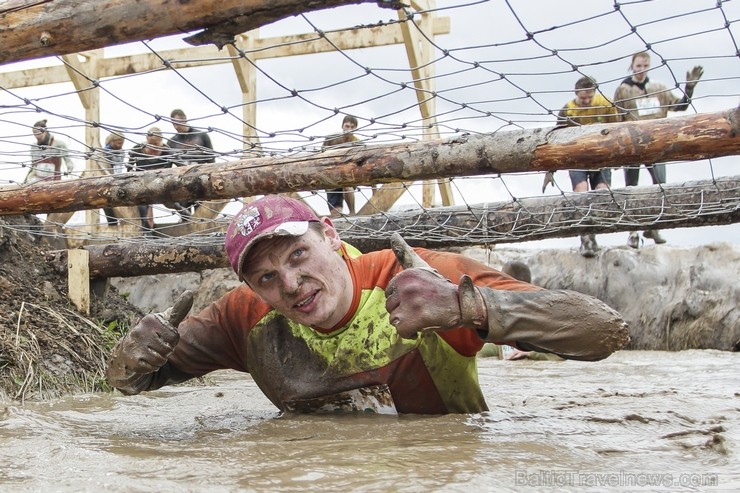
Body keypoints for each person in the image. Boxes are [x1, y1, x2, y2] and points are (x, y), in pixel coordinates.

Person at [106, 195, 629, 415]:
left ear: (330, 236)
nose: (290, 284)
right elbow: (127, 386)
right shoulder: (244, 316)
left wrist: (467, 307)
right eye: (267, 276)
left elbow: (606, 333)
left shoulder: (422, 280)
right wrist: (133, 357)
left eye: (298, 255)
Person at [613, 52, 704, 249]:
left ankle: (653, 225)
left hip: (656, 143)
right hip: (632, 144)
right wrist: (615, 151)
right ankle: (632, 231)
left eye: (645, 65)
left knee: (660, 186)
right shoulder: (622, 90)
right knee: (631, 188)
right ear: (632, 66)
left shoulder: (659, 88)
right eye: (638, 65)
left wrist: (689, 89)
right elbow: (616, 120)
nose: (642, 68)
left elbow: (680, 106)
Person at [543, 75, 620, 257]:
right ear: (576, 94)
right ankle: (585, 236)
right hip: (576, 158)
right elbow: (555, 139)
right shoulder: (568, 111)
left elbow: (618, 128)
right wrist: (550, 169)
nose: (586, 101)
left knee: (602, 192)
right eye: (582, 98)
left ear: (594, 93)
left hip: (602, 157)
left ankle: (596, 232)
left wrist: (619, 157)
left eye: (589, 97)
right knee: (582, 192)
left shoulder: (606, 105)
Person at [167, 108, 216, 219]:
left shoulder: (201, 136)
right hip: (182, 183)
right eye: (173, 124)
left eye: (177, 123)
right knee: (185, 216)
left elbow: (212, 159)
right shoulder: (171, 142)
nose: (175, 127)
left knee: (203, 215)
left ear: (184, 120)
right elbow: (168, 165)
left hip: (202, 181)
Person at [127, 127, 173, 231]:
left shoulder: (168, 151)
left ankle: (187, 218)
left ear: (161, 141)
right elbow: (128, 170)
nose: (153, 148)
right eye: (150, 145)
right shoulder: (137, 150)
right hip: (141, 186)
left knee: (176, 204)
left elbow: (181, 166)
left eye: (156, 145)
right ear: (146, 140)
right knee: (142, 207)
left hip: (163, 184)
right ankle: (147, 231)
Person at [323, 115, 360, 217]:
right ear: (342, 126)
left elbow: (368, 164)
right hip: (332, 178)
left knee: (347, 186)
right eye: (347, 126)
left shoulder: (358, 143)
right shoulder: (331, 139)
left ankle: (352, 212)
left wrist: (374, 193)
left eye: (352, 127)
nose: (349, 129)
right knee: (336, 214)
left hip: (349, 176)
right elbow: (321, 157)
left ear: (356, 128)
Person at [24, 119, 74, 184]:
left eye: (38, 132)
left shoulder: (58, 145)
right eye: (34, 133)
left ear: (45, 131)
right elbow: (33, 166)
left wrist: (69, 170)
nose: (36, 135)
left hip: (54, 181)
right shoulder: (34, 147)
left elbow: (68, 160)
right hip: (37, 181)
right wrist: (25, 181)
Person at [94, 132, 127, 226]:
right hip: (106, 182)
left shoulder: (122, 152)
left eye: (122, 143)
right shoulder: (105, 152)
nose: (120, 145)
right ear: (112, 141)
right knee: (110, 210)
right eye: (118, 143)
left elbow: (120, 165)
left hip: (118, 179)